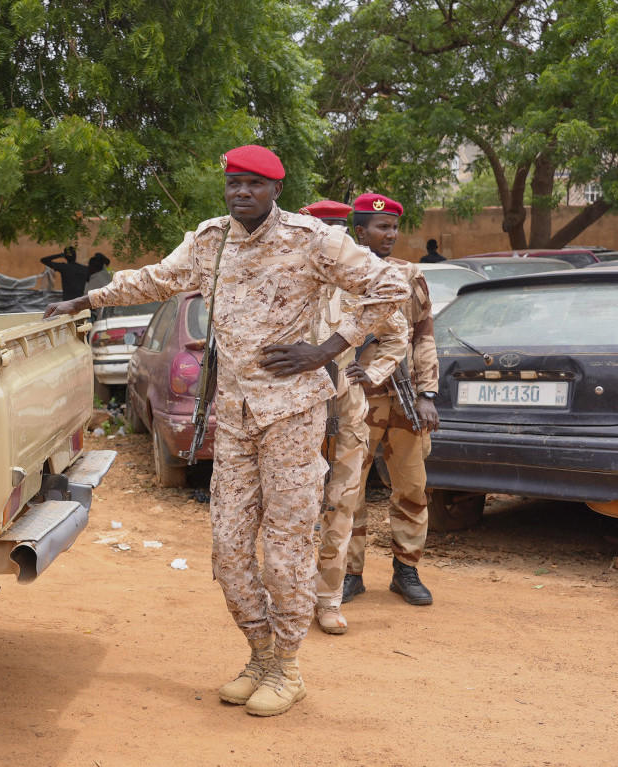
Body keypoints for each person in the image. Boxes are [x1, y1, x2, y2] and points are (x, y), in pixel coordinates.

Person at [44, 145, 409, 717]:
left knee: (286, 551)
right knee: (229, 552)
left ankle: (288, 669)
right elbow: (157, 278)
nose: (242, 194)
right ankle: (259, 656)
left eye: (254, 185)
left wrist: (326, 349)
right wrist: (87, 299)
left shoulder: (314, 239)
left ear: (275, 190)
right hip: (233, 417)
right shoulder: (211, 241)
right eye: (234, 184)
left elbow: (391, 289)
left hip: (292, 413)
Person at [306, 200, 410, 635]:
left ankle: (328, 599)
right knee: (293, 505)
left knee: (344, 500)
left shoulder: (363, 280)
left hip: (348, 409)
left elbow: (397, 335)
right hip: (298, 409)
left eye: (338, 231)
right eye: (324, 230)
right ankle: (290, 595)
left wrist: (370, 373)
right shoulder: (292, 277)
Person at [342, 193, 440, 608]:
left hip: (403, 401)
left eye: (395, 228)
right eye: (382, 228)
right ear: (359, 231)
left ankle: (406, 570)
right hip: (354, 401)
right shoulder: (339, 273)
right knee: (347, 490)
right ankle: (349, 573)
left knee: (412, 488)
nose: (391, 235)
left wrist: (428, 394)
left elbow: (423, 337)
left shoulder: (410, 274)